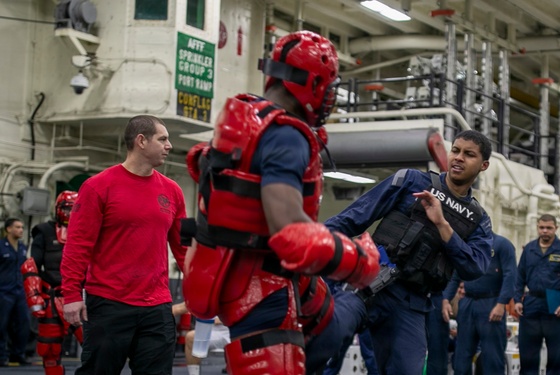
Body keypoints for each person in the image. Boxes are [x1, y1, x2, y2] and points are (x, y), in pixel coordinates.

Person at [182, 30, 380, 375]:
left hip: (237, 275)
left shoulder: (245, 118)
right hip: (263, 287)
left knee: (331, 328)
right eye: (328, 88)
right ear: (314, 85)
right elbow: (289, 230)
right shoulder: (287, 134)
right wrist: (359, 261)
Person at [317, 129, 494, 374]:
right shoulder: (413, 181)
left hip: (410, 305)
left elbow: (475, 267)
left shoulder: (478, 220)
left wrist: (443, 226)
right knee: (322, 340)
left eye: (469, 154)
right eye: (455, 150)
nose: (459, 157)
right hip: (366, 283)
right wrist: (312, 245)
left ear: (483, 165)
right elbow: (355, 217)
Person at [61, 115, 188, 374]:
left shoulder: (172, 191)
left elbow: (183, 248)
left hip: (157, 306)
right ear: (141, 141)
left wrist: (200, 289)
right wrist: (72, 295)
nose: (169, 145)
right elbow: (77, 245)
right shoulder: (98, 187)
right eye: (163, 139)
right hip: (109, 303)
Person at [21, 191, 83, 374]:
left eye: (75, 209)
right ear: (58, 209)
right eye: (66, 209)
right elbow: (31, 266)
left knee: (97, 347)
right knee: (49, 352)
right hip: (52, 299)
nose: (70, 214)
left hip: (81, 299)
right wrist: (34, 297)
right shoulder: (44, 232)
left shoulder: (88, 231)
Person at [441, 232, 517, 374]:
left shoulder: (502, 245)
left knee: (492, 357)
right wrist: (446, 299)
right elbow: (456, 275)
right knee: (461, 356)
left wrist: (501, 304)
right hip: (468, 304)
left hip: (491, 304)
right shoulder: (467, 246)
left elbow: (510, 276)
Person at [513, 214, 560, 375]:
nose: (545, 231)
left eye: (549, 228)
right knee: (528, 355)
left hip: (555, 305)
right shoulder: (529, 249)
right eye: (542, 227)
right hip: (532, 304)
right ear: (537, 228)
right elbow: (519, 277)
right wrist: (517, 300)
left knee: (556, 356)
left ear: (555, 228)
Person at [0, 218, 31, 367]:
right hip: (3, 292)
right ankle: (1, 356)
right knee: (1, 325)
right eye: (17, 227)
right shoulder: (1, 247)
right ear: (8, 229)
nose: (20, 230)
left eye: (22, 227)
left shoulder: (23, 248)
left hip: (19, 291)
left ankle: (18, 354)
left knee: (23, 324)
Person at [172, 302, 230, 375]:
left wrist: (223, 319)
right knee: (191, 337)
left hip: (236, 329)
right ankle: (194, 373)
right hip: (213, 331)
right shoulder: (207, 294)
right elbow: (182, 307)